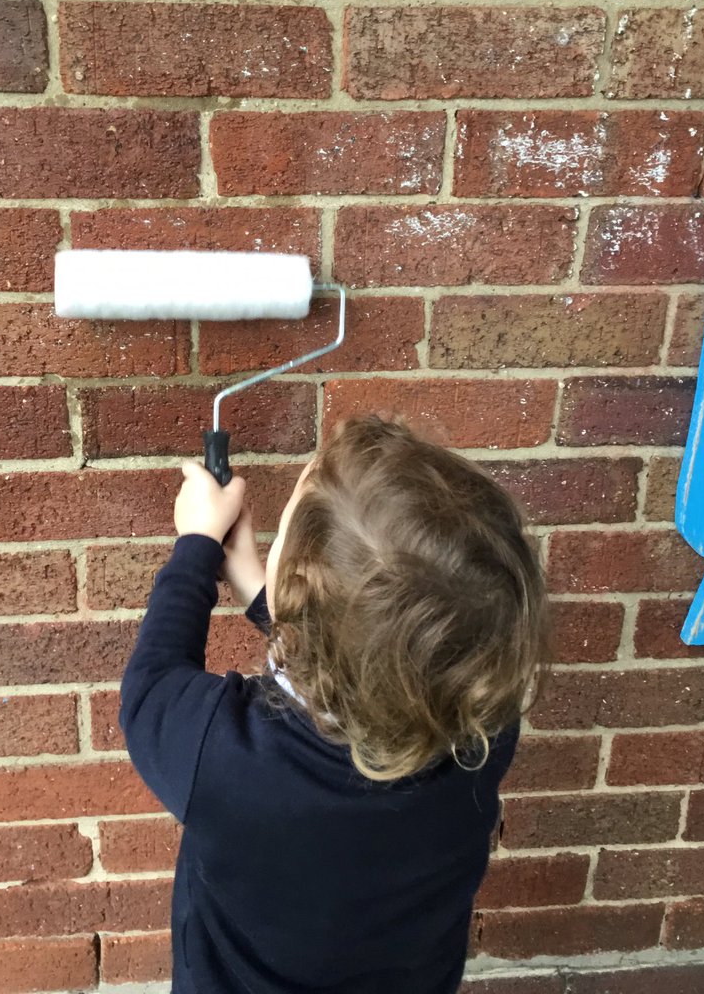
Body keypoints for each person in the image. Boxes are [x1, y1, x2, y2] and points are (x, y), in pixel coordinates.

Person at [120, 413, 550, 994]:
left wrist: (195, 545)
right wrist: (256, 584)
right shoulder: (484, 721)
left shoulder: (224, 758)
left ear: (296, 578)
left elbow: (152, 684)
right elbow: (382, 660)